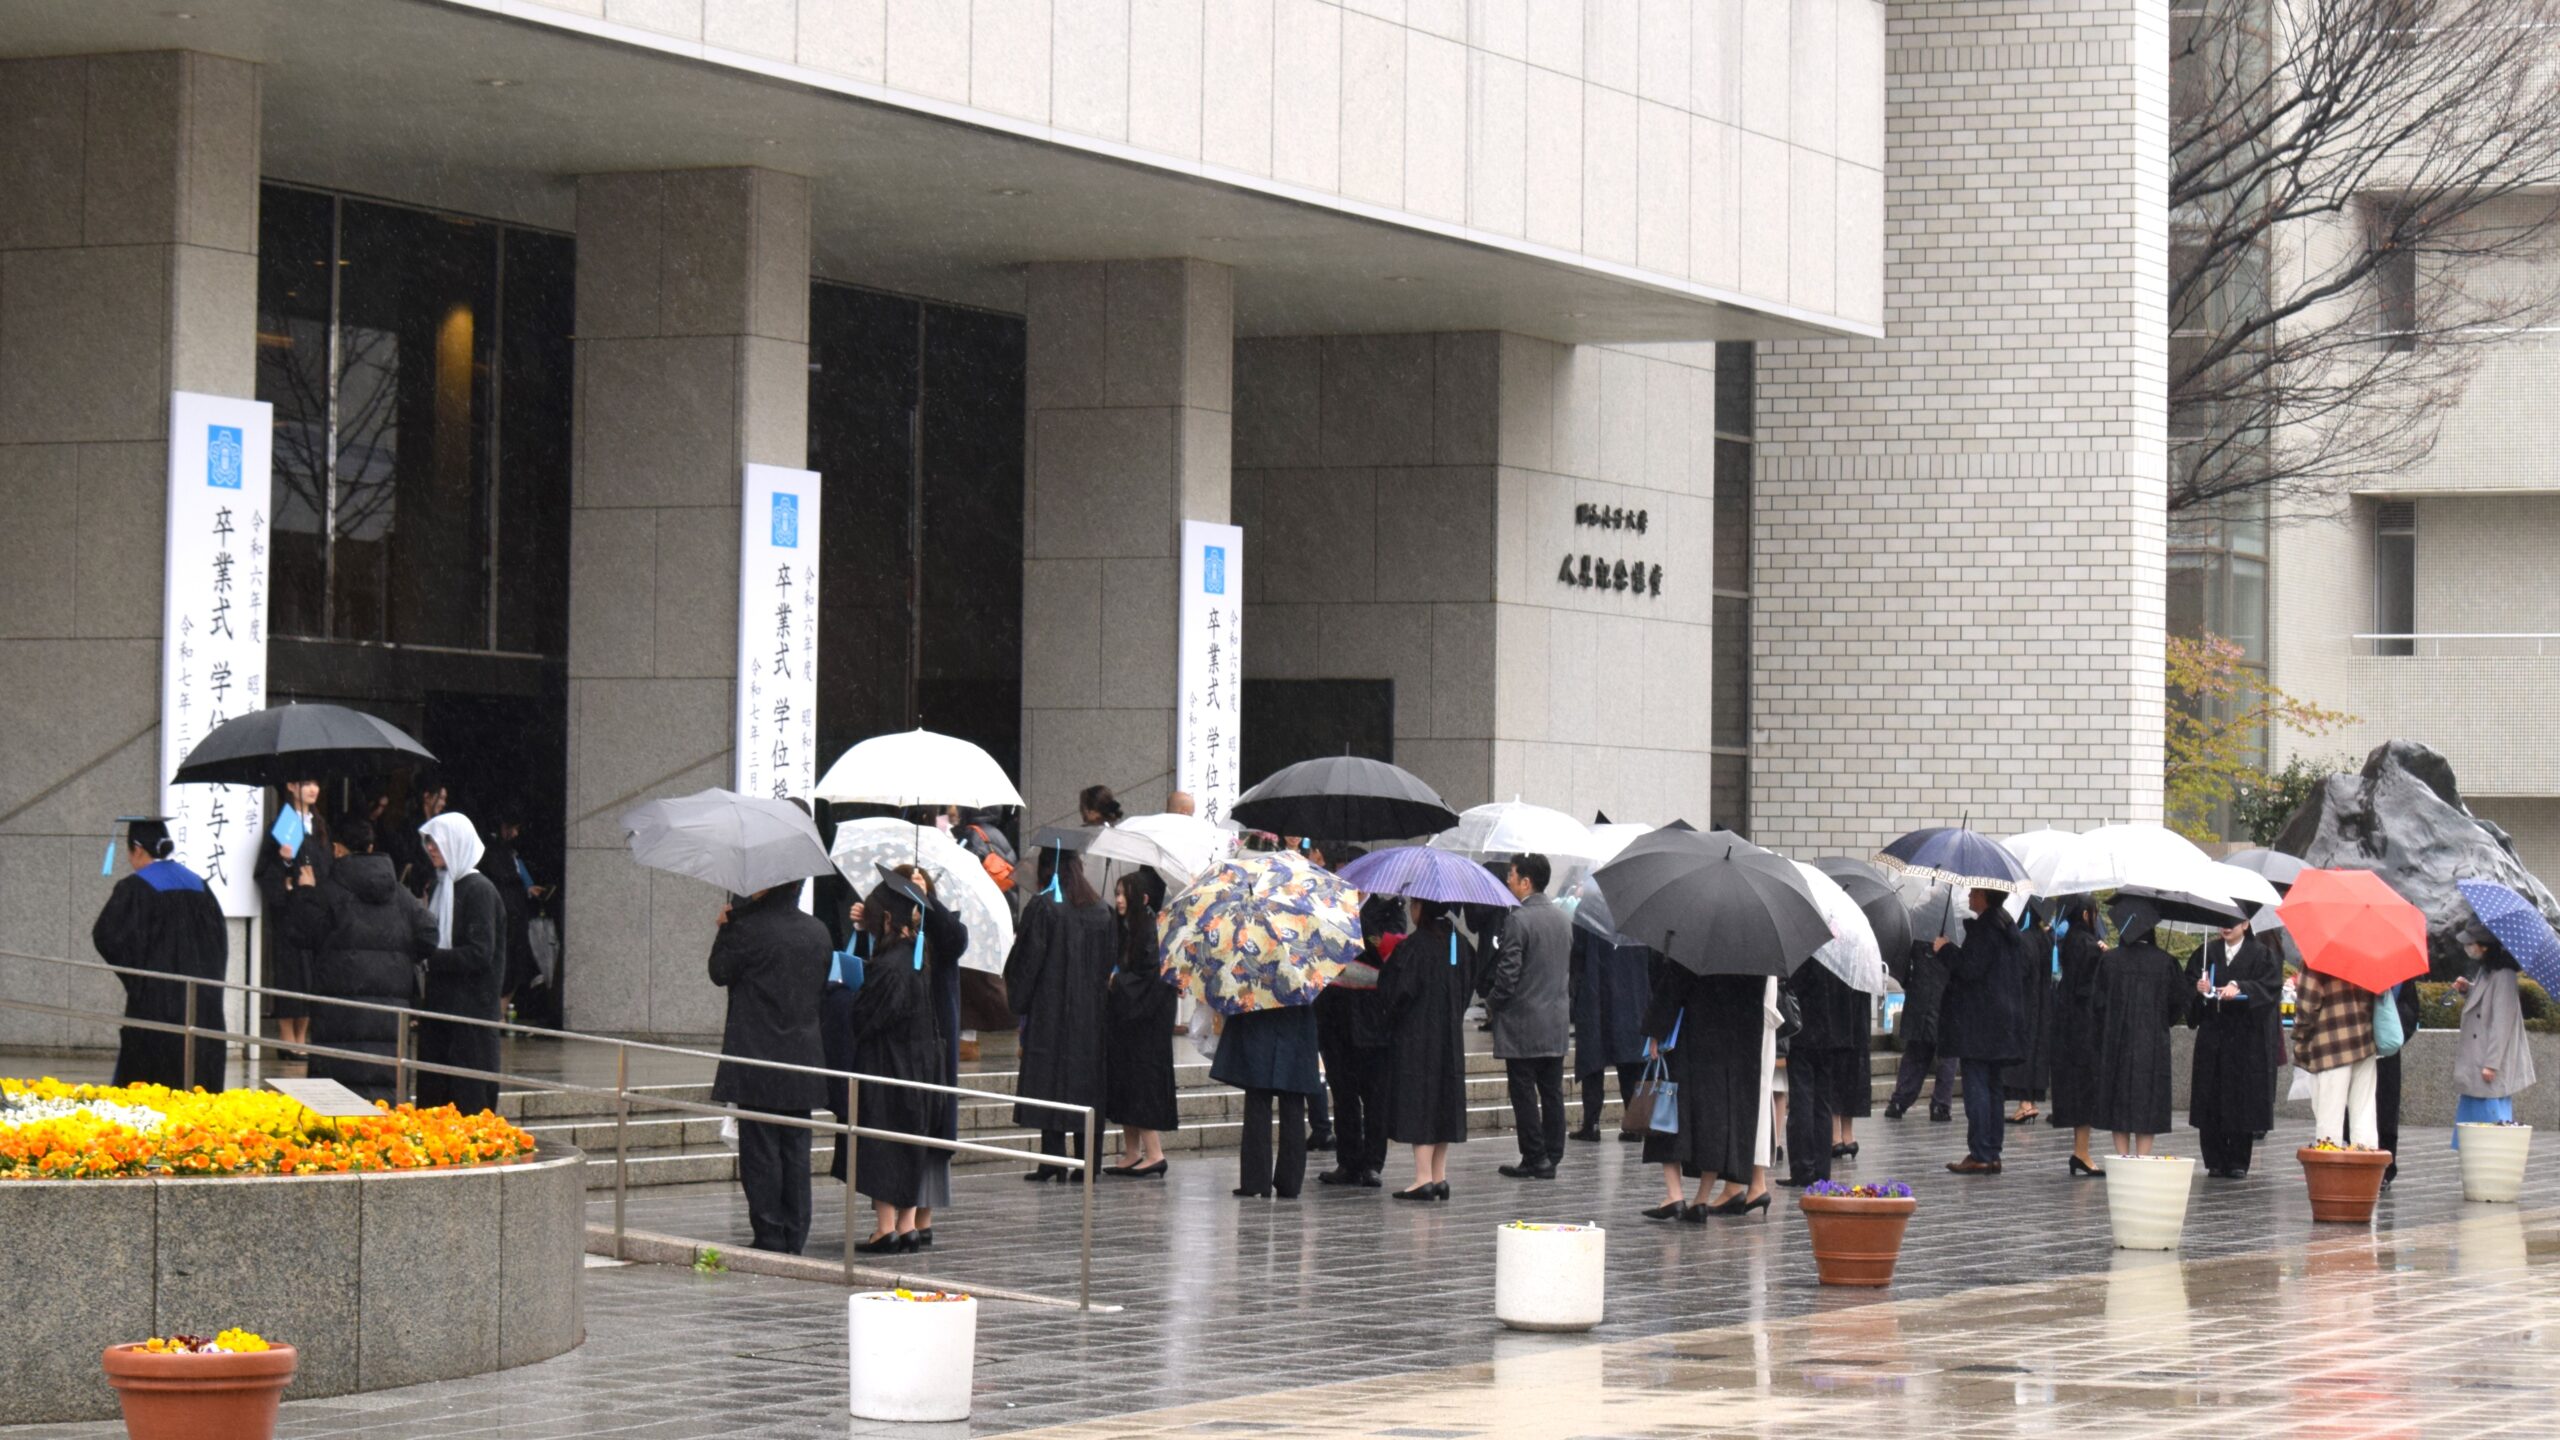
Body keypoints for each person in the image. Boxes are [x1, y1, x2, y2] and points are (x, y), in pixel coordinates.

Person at [707, 878, 830, 1255]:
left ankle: (769, 1231)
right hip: (803, 1056)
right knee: (795, 1150)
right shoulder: (818, 931)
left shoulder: (746, 928)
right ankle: (796, 1232)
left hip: (756, 1055)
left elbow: (719, 972)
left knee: (760, 1150)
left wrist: (725, 929)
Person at [282, 815, 434, 1102]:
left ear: (338, 850)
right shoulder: (401, 896)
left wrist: (303, 891)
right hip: (390, 1022)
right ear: (371, 846)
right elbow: (429, 937)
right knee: (384, 1111)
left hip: (339, 1017)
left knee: (339, 1110)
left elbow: (298, 933)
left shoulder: (327, 894)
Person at [845, 872, 953, 1252]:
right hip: (921, 1064)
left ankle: (885, 1227)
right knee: (909, 1143)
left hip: (888, 1065)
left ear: (887, 920)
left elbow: (868, 1017)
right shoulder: (919, 956)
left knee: (884, 1144)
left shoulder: (890, 964)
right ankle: (907, 1225)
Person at [92, 818, 229, 1090]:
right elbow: (219, 943)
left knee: (153, 1085)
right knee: (197, 1081)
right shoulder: (199, 886)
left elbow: (106, 936)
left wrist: (139, 980)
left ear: (138, 850)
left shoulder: (134, 888)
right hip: (201, 1003)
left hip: (156, 1004)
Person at [1006, 848, 1115, 1181]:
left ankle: (1052, 1160)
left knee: (1050, 1083)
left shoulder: (1042, 908)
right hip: (1092, 1017)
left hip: (1050, 1012)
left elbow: (1026, 962)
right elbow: (1109, 962)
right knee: (1087, 1086)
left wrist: (1018, 1001)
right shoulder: (1103, 911)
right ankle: (1088, 1163)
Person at [1640, 962, 1776, 1219]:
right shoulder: (1755, 948)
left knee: (1669, 1111)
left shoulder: (1696, 935)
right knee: (1717, 1121)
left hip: (1694, 1034)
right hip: (1736, 1045)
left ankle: (1674, 1194)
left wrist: (1656, 1028)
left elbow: (1675, 980)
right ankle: (1701, 1198)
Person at [1380, 898, 1474, 1201]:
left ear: (1422, 907)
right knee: (1444, 1099)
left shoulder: (1415, 946)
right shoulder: (1458, 942)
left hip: (1417, 1037)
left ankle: (1422, 1178)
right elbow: (1467, 984)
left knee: (1421, 1102)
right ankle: (1439, 1176)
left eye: (1414, 904)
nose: (1410, 909)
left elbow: (1396, 993)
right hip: (1449, 1035)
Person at [415, 812, 505, 1115]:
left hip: (471, 1012)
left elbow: (480, 952)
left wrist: (432, 959)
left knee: (469, 1098)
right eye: (429, 843)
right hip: (443, 1009)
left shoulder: (478, 890)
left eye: (438, 843)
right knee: (435, 1094)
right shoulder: (443, 885)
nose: (431, 848)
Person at [1489, 853, 1571, 1179]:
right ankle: (1551, 1154)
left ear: (1526, 882)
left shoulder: (1518, 921)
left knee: (1523, 1092)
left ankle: (1534, 1156)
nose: (1508, 880)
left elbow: (1508, 975)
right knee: (1552, 1091)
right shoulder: (1563, 919)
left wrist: (1493, 1001)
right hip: (1555, 1021)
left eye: (1511, 875)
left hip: (1523, 1023)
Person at [1935, 887, 2027, 1175]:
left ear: (1986, 896)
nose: (1969, 896)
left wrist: (1945, 949)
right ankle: (1992, 1150)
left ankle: (1980, 1152)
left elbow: (1970, 968)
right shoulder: (2006, 925)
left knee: (1977, 1086)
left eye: (1974, 892)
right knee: (1994, 1087)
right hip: (2001, 1022)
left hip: (1980, 1023)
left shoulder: (1985, 928)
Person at [2089, 896, 2185, 1160]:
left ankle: (2122, 1157)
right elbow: (2177, 1004)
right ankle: (2143, 1157)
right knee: (2148, 1098)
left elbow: (2097, 1004)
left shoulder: (2110, 961)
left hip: (2116, 1041)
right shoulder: (2165, 963)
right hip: (2151, 1042)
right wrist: (2160, 1022)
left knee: (2117, 1096)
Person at [1316, 893, 1402, 1187]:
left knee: (1376, 1096)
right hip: (1336, 1019)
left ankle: (1372, 1163)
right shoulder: (1331, 908)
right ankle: (1347, 1161)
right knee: (1343, 1094)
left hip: (1373, 1020)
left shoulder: (1391, 911)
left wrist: (1359, 926)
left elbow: (1391, 953)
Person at [2186, 916, 2281, 1178]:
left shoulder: (2262, 955)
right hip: (2213, 1034)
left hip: (2245, 1037)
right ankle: (2214, 1159)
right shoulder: (2207, 952)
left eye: (2233, 922)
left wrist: (2241, 986)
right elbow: (2189, 985)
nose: (2226, 927)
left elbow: (2270, 988)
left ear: (2246, 925)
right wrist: (2199, 988)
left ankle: (2239, 1160)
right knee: (2211, 1095)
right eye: (2221, 921)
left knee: (2242, 1097)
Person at [1102, 870, 1178, 1176]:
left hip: (1145, 1027)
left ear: (1143, 898)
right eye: (1117, 893)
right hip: (1127, 1024)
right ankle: (1132, 1151)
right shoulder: (1131, 927)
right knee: (1125, 1085)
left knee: (1140, 1086)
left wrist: (1117, 981)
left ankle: (1154, 1153)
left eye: (1125, 894)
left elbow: (1150, 979)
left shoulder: (1150, 930)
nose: (1119, 900)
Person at [1211, 996, 1324, 1199]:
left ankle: (1255, 1181)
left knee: (1257, 1099)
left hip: (1258, 1016)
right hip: (1296, 1021)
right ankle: (1290, 1182)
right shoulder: (1304, 969)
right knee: (1292, 1102)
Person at [253, 778, 329, 1060]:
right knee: (290, 974)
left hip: (315, 907)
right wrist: (285, 865)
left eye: (314, 783)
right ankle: (288, 1038)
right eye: (306, 783)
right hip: (290, 911)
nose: (313, 788)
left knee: (312, 974)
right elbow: (266, 869)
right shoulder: (283, 824)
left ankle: (303, 1035)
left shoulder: (317, 824)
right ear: (290, 786)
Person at [1779, 954, 1865, 1187]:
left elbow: (1795, 984)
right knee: (1823, 1102)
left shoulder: (1805, 941)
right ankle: (1821, 1169)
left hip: (1804, 1030)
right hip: (1832, 1032)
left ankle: (1803, 1167)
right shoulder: (1839, 945)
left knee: (1802, 1100)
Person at [2451, 923, 2538, 1144]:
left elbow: (2502, 1022)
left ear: (2485, 947)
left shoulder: (2505, 974)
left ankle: (2491, 1154)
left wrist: (2492, 1063)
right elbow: (2484, 1000)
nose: (2468, 948)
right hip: (2478, 1058)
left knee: (2491, 1117)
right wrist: (2467, 989)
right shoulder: (2487, 969)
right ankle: (2476, 1154)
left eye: (2471, 944)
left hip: (2487, 1061)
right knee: (2475, 1117)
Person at [1568, 911, 1651, 1142]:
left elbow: (1577, 957)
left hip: (1596, 997)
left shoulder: (1589, 911)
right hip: (1633, 997)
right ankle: (1635, 1125)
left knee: (1593, 1062)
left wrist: (1575, 994)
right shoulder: (1641, 913)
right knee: (1630, 1064)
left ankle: (1591, 1123)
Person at [2043, 895, 2108, 1175]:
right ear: (2086, 915)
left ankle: (2080, 1152)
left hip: (2067, 1024)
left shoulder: (2069, 940)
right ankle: (2081, 1153)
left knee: (2078, 1089)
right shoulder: (2088, 945)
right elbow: (2092, 988)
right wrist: (2105, 956)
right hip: (2084, 1028)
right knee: (2085, 1090)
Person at [2293, 962, 2380, 1149]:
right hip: (2364, 1040)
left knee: (2329, 1115)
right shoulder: (2368, 955)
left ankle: (2330, 1169)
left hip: (2330, 1043)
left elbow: (2307, 1006)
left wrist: (2301, 1038)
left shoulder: (2317, 959)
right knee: (2364, 1113)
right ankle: (2365, 1167)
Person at [1883, 934, 1956, 1122]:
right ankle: (1940, 1106)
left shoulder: (1918, 933)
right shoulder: (1954, 939)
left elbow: (1904, 969)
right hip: (1947, 1003)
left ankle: (1899, 1101)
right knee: (1947, 1056)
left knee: (1916, 1053)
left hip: (1919, 1000)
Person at [478, 811, 545, 1010]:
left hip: (514, 917)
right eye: (514, 828)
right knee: (508, 966)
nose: (516, 833)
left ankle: (501, 1012)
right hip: (508, 918)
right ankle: (499, 1013)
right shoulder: (494, 854)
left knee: (513, 966)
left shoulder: (508, 853)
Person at [2004, 902, 2054, 1124]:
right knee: (2036, 1051)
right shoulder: (2045, 939)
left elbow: (2018, 975)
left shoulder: (2023, 941)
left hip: (2024, 1005)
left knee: (2023, 1053)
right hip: (2042, 1005)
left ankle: (2024, 1104)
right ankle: (2031, 1101)